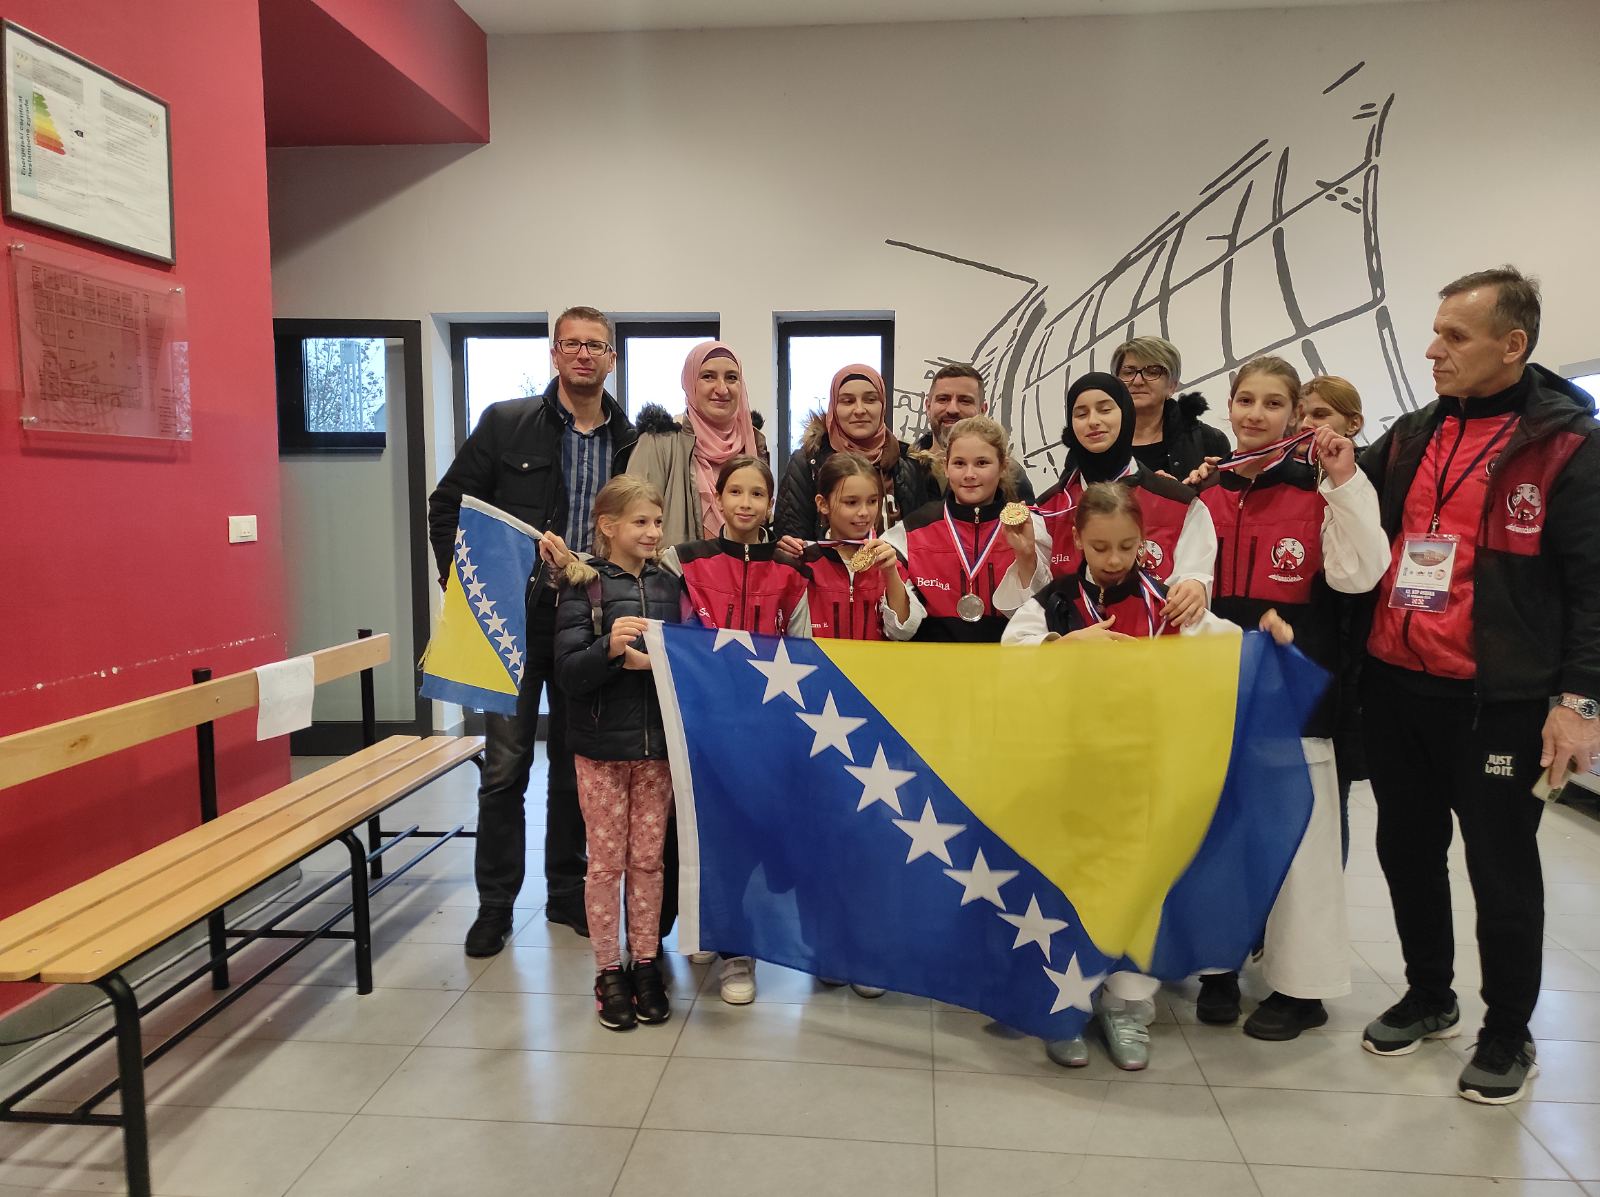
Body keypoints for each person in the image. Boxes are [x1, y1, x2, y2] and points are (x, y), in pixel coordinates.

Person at [1357, 267, 1600, 1105]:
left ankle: (1508, 1031)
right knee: (1406, 850)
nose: (1433, 349)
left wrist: (1579, 702)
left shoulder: (1568, 445)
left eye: (1455, 336)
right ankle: (1430, 994)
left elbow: (1594, 586)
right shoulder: (1413, 433)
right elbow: (1342, 503)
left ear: (1513, 345)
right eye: (1436, 332)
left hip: (1498, 700)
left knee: (1500, 868)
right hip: (1398, 686)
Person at [1003, 482, 1293, 1069]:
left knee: (1142, 891)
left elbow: (1229, 649)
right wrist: (1066, 644)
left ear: (1144, 542)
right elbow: (1010, 659)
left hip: (1144, 779)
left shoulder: (1170, 606)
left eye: (1127, 546)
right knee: (1070, 889)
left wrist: (1270, 641)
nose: (1114, 559)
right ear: (1077, 540)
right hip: (1069, 776)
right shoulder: (1053, 604)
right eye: (1100, 547)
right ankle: (1065, 1003)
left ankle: (1127, 1007)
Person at [428, 305, 635, 957]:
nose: (584, 354)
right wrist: (466, 584)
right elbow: (447, 506)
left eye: (595, 345)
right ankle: (494, 906)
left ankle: (566, 894)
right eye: (572, 343)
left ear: (611, 359)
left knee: (576, 768)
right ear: (554, 353)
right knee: (505, 768)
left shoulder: (629, 442)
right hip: (513, 624)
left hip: (587, 624)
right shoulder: (506, 423)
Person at [1192, 355, 1390, 1040]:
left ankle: (1301, 989)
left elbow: (1362, 574)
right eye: (1245, 399)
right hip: (1214, 692)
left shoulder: (1320, 491)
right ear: (1229, 405)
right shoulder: (1204, 493)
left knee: (1302, 843)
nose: (1255, 414)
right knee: (1216, 834)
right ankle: (1217, 965)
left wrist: (1344, 480)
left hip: (1294, 693)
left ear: (1294, 414)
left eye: (1273, 403)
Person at [660, 455, 812, 1004]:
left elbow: (802, 650)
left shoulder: (791, 572)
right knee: (706, 834)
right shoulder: (682, 561)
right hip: (702, 723)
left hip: (765, 730)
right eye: (736, 492)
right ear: (717, 498)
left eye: (757, 494)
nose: (746, 503)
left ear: (770, 504)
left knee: (748, 837)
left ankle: (740, 949)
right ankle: (714, 932)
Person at [553, 477, 683, 1031]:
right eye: (640, 522)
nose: (653, 532)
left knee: (649, 862)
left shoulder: (672, 585)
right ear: (608, 526)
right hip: (601, 752)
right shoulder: (582, 587)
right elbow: (568, 672)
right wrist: (609, 649)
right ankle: (608, 969)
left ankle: (646, 962)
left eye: (657, 521)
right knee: (606, 865)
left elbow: (689, 653)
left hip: (657, 751)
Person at [1033, 372, 1215, 633]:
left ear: (1126, 414)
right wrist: (1025, 558)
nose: (1093, 421)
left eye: (1105, 409)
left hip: (1154, 652)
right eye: (1081, 414)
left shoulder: (1180, 503)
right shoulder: (1049, 510)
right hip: (1072, 654)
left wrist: (1195, 584)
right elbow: (1033, 610)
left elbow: (1192, 587)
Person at [883, 415, 1050, 642]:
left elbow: (1038, 621)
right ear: (946, 467)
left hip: (1007, 661)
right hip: (932, 662)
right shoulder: (911, 532)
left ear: (1003, 467)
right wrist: (890, 574)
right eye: (959, 463)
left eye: (982, 463)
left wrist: (1026, 556)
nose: (969, 474)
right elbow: (899, 631)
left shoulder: (1030, 527)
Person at [1297, 376, 1369, 866]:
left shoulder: (1365, 484)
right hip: (1301, 649)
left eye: (1321, 415)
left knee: (1330, 795)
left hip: (1346, 661)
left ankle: (1325, 900)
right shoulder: (1292, 479)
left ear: (1353, 423)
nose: (1308, 424)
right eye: (1302, 414)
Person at [630, 341, 767, 546]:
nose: (722, 389)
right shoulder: (659, 442)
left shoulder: (753, 444)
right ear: (690, 382)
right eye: (708, 376)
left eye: (731, 377)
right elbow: (632, 520)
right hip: (675, 566)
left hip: (743, 564)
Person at [774, 364, 933, 539]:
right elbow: (792, 540)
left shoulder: (908, 463)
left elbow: (922, 540)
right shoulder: (807, 463)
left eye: (870, 400)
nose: (859, 410)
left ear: (883, 405)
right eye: (848, 401)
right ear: (834, 407)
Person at [797, 451, 923, 643]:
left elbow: (904, 632)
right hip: (819, 662)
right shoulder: (805, 563)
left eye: (872, 501)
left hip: (874, 663)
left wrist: (890, 573)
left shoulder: (890, 559)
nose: (864, 512)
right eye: (851, 502)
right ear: (823, 504)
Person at [910, 363, 1036, 502]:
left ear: (982, 410)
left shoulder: (1012, 475)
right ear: (928, 406)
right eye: (943, 399)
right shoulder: (906, 469)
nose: (952, 409)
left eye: (965, 401)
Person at [1112, 336, 1232, 478]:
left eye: (1152, 372)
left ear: (1172, 386)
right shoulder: (1097, 440)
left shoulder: (1209, 440)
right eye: (1128, 372)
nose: (1137, 381)